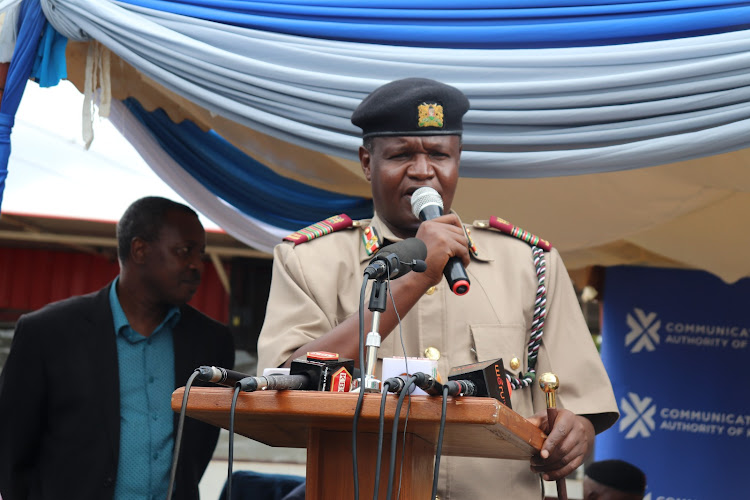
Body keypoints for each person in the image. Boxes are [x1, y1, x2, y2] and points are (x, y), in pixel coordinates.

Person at [256, 78, 619, 499]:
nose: (423, 171)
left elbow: (579, 406)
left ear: (458, 160)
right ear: (367, 162)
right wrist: (418, 277)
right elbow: (283, 384)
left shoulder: (532, 264)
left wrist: (577, 431)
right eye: (401, 155)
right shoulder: (309, 260)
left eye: (439, 154)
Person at [0, 196, 235, 500]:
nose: (196, 265)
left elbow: (198, 447)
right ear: (140, 250)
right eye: (184, 251)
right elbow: (10, 449)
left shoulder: (211, 341)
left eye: (200, 254)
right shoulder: (47, 333)